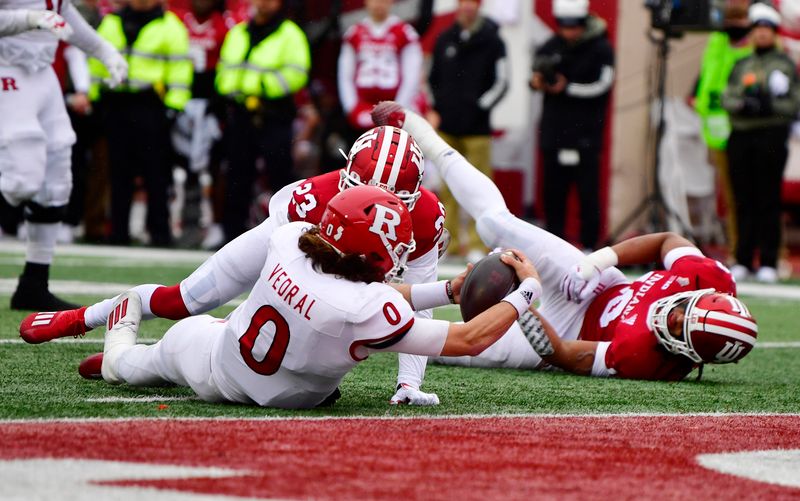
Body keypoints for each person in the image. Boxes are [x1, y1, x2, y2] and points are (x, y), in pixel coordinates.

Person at [20, 125, 449, 405]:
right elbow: (284, 287)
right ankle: (84, 317)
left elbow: (417, 306)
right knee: (185, 299)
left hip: (337, 294)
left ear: (413, 199)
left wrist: (408, 383)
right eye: (361, 194)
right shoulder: (307, 201)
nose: (374, 211)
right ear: (346, 175)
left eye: (391, 203)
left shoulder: (427, 219)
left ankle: (143, 361)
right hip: (299, 260)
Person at [48, 186, 542, 409]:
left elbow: (353, 283)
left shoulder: (294, 239)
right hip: (229, 372)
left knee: (160, 361)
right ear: (374, 256)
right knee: (129, 368)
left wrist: (450, 289)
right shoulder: (367, 308)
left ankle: (134, 354)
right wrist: (527, 292)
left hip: (232, 353)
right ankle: (120, 328)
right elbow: (471, 339)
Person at [371, 101, 759, 381]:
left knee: (451, 347)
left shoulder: (649, 359)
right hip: (596, 283)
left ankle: (363, 314)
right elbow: (666, 241)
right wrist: (600, 260)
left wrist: (520, 301)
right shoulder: (707, 277)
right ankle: (422, 132)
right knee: (494, 223)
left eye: (677, 329)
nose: (669, 318)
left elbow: (566, 355)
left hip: (564, 335)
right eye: (680, 310)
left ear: (690, 355)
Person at [0, 1, 127, 310]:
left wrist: (104, 50)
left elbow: (62, 12)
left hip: (42, 74)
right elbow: (38, 14)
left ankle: (34, 283)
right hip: (7, 67)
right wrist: (28, 18)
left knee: (57, 179)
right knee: (22, 178)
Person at [89, 0, 192, 247]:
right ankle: (118, 233)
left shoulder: (171, 26)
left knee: (156, 174)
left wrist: (173, 107)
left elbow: (180, 71)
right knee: (118, 172)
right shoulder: (111, 22)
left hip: (150, 106)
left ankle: (159, 233)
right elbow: (95, 63)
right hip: (116, 104)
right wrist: (95, 97)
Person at [215, 0, 311, 244]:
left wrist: (261, 88)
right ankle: (231, 235)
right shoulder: (238, 32)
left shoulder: (290, 34)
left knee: (280, 176)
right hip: (241, 113)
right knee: (237, 175)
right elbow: (224, 69)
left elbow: (297, 73)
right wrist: (235, 90)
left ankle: (289, 238)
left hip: (273, 113)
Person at [721, 3, 800, 284]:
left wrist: (768, 105)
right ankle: (742, 258)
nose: (762, 35)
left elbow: (793, 103)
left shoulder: (784, 65)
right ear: (752, 33)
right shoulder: (741, 64)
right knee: (743, 199)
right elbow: (726, 97)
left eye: (767, 30)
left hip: (770, 136)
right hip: (741, 136)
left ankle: (767, 260)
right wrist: (745, 104)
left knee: (767, 199)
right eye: (758, 29)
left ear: (774, 33)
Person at [529, 0, 614, 251]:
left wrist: (567, 88)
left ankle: (589, 243)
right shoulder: (550, 45)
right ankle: (553, 243)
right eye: (564, 26)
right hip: (554, 131)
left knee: (587, 192)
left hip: (585, 132)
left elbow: (603, 85)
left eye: (574, 26)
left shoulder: (601, 48)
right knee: (553, 191)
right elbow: (534, 77)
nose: (569, 32)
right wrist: (538, 82)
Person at [428, 0, 508, 263]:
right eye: (463, 2)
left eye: (472, 2)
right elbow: (432, 79)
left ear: (478, 6)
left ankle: (477, 242)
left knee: (481, 188)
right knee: (447, 186)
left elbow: (502, 81)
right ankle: (447, 241)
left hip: (477, 129)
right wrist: (438, 107)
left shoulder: (493, 40)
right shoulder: (445, 38)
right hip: (448, 127)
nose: (467, 7)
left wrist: (478, 108)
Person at [693, 0, 752, 254]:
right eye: (730, 21)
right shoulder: (717, 41)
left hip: (743, 126)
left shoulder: (753, 48)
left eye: (740, 21)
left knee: (749, 193)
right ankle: (737, 248)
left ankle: (756, 250)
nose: (733, 27)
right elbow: (707, 73)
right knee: (729, 195)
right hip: (716, 128)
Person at [337, 0, 421, 135]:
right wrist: (351, 107)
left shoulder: (405, 33)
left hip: (394, 105)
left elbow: (412, 76)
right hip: (363, 106)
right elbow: (345, 75)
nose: (378, 4)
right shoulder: (354, 33)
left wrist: (399, 109)